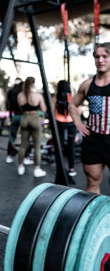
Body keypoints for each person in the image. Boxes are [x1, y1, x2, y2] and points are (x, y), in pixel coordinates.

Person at [69, 42, 110, 194]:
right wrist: (79, 124)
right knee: (92, 182)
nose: (100, 60)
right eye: (97, 56)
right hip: (93, 140)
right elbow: (73, 105)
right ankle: (94, 217)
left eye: (105, 56)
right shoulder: (87, 84)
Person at [17, 76, 47, 177]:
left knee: (23, 145)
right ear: (33, 84)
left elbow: (21, 108)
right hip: (35, 119)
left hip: (24, 119)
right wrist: (41, 117)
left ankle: (20, 167)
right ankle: (37, 169)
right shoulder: (37, 96)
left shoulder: (20, 96)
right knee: (37, 146)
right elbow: (44, 109)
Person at [5, 78, 33, 165]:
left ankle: (9, 156)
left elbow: (8, 105)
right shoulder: (23, 94)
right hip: (22, 116)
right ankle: (26, 157)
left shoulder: (11, 92)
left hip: (14, 116)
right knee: (25, 137)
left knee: (13, 136)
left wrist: (10, 116)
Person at [53, 80, 77, 177]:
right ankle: (71, 169)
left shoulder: (55, 97)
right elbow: (77, 110)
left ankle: (59, 168)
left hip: (59, 122)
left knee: (59, 146)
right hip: (71, 122)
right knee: (71, 146)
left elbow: (51, 110)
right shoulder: (72, 97)